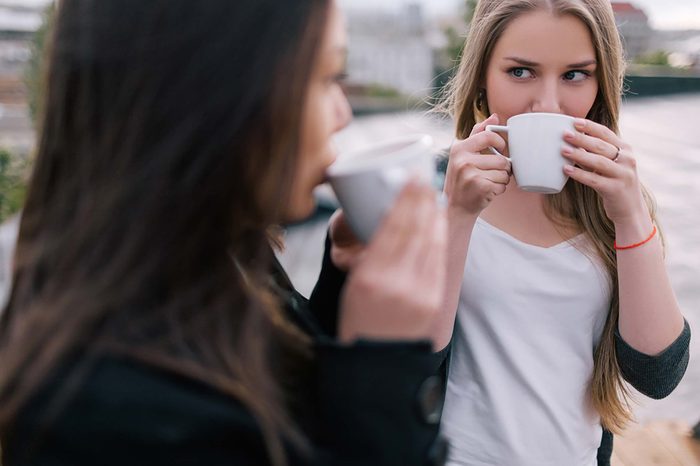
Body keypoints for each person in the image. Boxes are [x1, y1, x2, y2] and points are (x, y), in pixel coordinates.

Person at [0, 1, 457, 465]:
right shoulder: (104, 409)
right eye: (324, 79)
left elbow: (293, 411)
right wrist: (383, 370)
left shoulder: (222, 257)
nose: (342, 114)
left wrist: (348, 296)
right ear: (216, 94)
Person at [436, 0, 691, 465]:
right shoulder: (436, 192)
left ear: (602, 82)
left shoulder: (612, 202)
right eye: (520, 72)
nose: (548, 103)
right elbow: (406, 364)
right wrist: (455, 217)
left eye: (574, 75)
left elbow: (657, 374)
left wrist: (632, 217)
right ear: (481, 76)